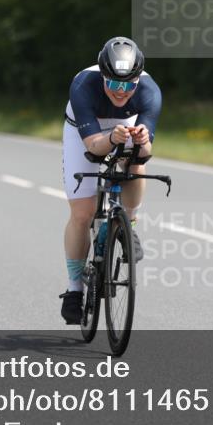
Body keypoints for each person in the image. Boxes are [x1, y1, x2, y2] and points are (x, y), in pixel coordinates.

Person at [58, 37, 161, 325]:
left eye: (128, 85)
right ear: (103, 75)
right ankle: (74, 290)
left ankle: (130, 222)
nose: (121, 91)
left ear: (138, 80)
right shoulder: (83, 85)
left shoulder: (150, 91)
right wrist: (111, 138)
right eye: (114, 83)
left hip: (126, 125)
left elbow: (147, 151)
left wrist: (140, 141)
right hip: (84, 131)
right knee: (82, 213)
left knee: (135, 161)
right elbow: (92, 146)